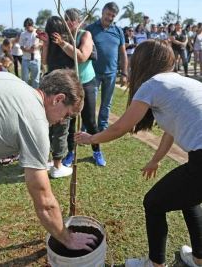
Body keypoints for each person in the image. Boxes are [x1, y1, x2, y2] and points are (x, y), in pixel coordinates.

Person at [76, 39, 202, 267]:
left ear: (142, 63)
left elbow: (120, 127)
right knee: (189, 197)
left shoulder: (152, 84)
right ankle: (199, 258)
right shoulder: (181, 82)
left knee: (153, 203)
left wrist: (91, 138)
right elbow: (170, 132)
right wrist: (155, 160)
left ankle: (155, 263)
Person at [0, 69, 97, 266]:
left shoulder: (12, 82)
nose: (63, 121)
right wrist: (67, 238)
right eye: (67, 115)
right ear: (58, 99)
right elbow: (43, 199)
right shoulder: (34, 120)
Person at [51, 8, 106, 167]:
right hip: (70, 84)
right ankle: (70, 152)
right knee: (70, 121)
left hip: (87, 82)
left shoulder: (85, 34)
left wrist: (62, 43)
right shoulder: (63, 35)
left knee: (89, 120)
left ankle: (96, 151)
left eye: (71, 20)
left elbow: (81, 57)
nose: (68, 23)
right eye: (65, 20)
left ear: (78, 21)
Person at [40, 16, 76, 178]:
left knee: (46, 126)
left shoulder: (55, 43)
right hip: (63, 86)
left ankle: (45, 161)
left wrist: (47, 44)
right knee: (61, 128)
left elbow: (44, 62)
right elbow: (78, 58)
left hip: (48, 85)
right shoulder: (67, 42)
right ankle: (57, 166)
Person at [86, 2, 128, 132]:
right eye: (108, 14)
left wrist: (125, 73)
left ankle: (103, 126)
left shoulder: (118, 31)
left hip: (111, 73)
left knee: (106, 103)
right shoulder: (90, 29)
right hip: (93, 73)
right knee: (90, 102)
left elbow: (123, 52)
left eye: (113, 16)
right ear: (103, 12)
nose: (110, 18)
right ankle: (87, 126)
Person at [19, 18, 42, 88]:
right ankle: (25, 93)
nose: (26, 28)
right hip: (25, 59)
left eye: (27, 26)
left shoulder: (38, 32)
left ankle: (35, 94)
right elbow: (21, 46)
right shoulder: (23, 34)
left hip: (36, 59)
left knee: (35, 79)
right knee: (24, 78)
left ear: (32, 25)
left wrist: (38, 45)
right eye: (25, 27)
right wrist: (27, 50)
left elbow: (43, 42)